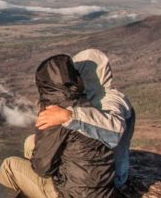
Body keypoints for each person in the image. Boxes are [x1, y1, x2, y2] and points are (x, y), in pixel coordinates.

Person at [0, 54, 118, 198]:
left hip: (73, 194)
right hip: (100, 190)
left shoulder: (55, 113)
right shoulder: (85, 103)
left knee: (10, 166)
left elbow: (42, 169)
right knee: (31, 143)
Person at [36, 49, 135, 189]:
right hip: (97, 169)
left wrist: (69, 116)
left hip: (108, 178)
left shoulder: (112, 100)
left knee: (15, 166)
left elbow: (115, 130)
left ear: (87, 74)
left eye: (76, 74)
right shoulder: (92, 96)